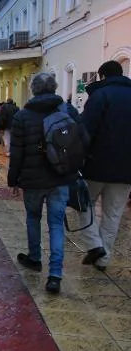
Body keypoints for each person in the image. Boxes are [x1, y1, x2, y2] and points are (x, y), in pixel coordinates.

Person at [8, 72, 87, 293]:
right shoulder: (67, 111)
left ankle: (34, 258)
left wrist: (13, 180)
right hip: (60, 178)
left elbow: (17, 153)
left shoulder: (22, 116)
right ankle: (55, 275)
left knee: (33, 218)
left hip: (33, 181)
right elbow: (84, 141)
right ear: (54, 87)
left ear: (33, 89)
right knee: (56, 224)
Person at [78, 60, 131, 271]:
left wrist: (79, 158)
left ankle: (95, 245)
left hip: (96, 164)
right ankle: (103, 258)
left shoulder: (100, 96)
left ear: (101, 76)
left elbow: (86, 131)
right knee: (113, 213)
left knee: (84, 204)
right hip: (126, 169)